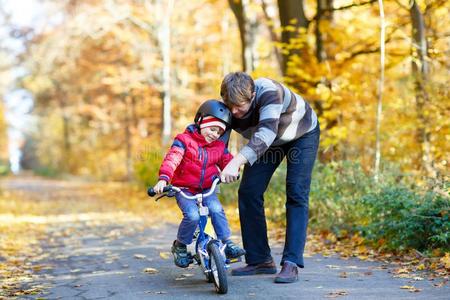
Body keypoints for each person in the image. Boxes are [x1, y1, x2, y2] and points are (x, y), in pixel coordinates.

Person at [219, 72, 320, 283]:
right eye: (230, 107)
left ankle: (291, 263)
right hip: (268, 141)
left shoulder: (269, 92)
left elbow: (265, 133)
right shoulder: (228, 106)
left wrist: (236, 162)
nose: (234, 112)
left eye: (240, 107)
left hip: (301, 134)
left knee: (296, 193)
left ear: (253, 95)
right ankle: (259, 261)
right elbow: (218, 141)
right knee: (249, 192)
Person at [153, 99, 245, 268]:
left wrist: (233, 171)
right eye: (212, 128)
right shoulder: (184, 140)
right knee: (193, 215)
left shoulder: (218, 146)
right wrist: (164, 179)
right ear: (201, 121)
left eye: (219, 132)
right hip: (184, 189)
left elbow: (227, 161)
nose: (215, 134)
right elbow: (172, 158)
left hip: (207, 188)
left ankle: (227, 242)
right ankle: (180, 245)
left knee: (216, 209)